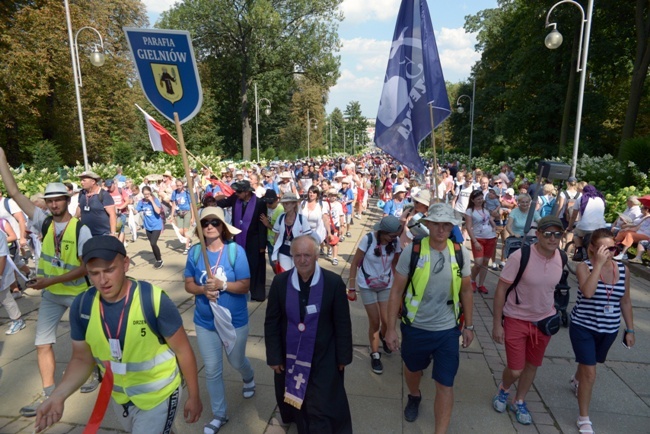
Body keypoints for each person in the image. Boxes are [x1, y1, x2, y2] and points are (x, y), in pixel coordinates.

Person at [34, 236, 202, 433]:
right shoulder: (82, 306)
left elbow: (183, 350)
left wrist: (194, 395)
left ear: (125, 264)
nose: (102, 280)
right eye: (94, 273)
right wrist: (57, 396)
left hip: (160, 396)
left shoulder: (153, 300)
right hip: (121, 399)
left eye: (109, 270)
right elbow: (81, 358)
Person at [0, 147, 101, 414]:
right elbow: (15, 194)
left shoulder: (81, 229)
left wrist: (49, 281)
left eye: (59, 200)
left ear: (67, 200)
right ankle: (48, 394)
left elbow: (85, 268)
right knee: (42, 342)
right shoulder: (43, 222)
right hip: (51, 294)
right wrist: (2, 162)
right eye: (50, 200)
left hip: (78, 293)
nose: (54, 204)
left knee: (88, 340)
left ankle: (93, 372)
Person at [384, 203, 474, 429]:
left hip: (447, 331)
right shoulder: (412, 251)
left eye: (446, 225)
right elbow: (396, 290)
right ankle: (414, 395)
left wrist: (469, 326)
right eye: (436, 224)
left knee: (445, 383)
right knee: (413, 369)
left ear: (452, 227)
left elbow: (466, 290)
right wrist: (391, 328)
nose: (441, 230)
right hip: (416, 327)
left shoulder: (459, 252)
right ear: (428, 225)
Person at [264, 235, 353, 434]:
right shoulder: (280, 283)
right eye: (297, 256)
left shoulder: (333, 283)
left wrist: (343, 356)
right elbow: (272, 322)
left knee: (323, 400)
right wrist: (274, 356)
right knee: (299, 402)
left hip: (324, 354)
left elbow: (342, 323)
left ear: (316, 256)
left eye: (307, 255)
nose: (302, 260)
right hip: (291, 355)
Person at [184, 207, 255, 434]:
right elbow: (188, 284)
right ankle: (219, 414)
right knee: (213, 369)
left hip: (234, 321)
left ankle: (249, 376)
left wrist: (223, 285)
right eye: (205, 223)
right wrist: (203, 290)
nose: (210, 226)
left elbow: (245, 285)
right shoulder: (195, 253)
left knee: (236, 361)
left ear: (223, 226)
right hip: (205, 322)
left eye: (215, 222)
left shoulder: (235, 251)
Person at [491, 216, 566, 426]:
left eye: (558, 234)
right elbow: (501, 290)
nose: (553, 238)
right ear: (538, 234)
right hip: (516, 318)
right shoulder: (520, 256)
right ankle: (504, 390)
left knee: (532, 365)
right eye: (548, 233)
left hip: (543, 322)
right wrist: (497, 323)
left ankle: (520, 400)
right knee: (515, 369)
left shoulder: (561, 257)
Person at [567, 228, 635, 434]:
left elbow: (625, 301)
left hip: (609, 329)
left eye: (613, 248)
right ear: (593, 249)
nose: (610, 253)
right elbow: (587, 292)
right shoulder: (583, 267)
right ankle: (584, 418)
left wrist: (630, 329)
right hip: (583, 326)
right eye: (605, 249)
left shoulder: (623, 270)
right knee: (590, 372)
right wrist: (597, 265)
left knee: (590, 364)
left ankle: (576, 378)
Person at [348, 216, 402, 375]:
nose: (395, 238)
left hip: (386, 284)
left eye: (396, 235)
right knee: (375, 321)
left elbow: (397, 264)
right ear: (382, 232)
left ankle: (385, 338)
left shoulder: (395, 242)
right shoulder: (368, 239)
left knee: (387, 320)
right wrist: (351, 287)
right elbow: (354, 263)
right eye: (392, 236)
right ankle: (375, 353)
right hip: (367, 285)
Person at [216, 180, 268, 301]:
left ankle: (256, 293)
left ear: (246, 192)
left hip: (254, 241)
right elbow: (224, 203)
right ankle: (239, 289)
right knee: (239, 266)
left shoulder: (259, 203)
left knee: (255, 267)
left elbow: (262, 225)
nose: (237, 194)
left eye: (239, 192)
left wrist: (262, 244)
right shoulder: (235, 198)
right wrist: (212, 202)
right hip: (238, 238)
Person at [465, 190, 498, 294]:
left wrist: (494, 226)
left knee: (485, 262)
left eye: (481, 198)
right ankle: (472, 279)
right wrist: (474, 241)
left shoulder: (485, 209)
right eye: (478, 199)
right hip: (478, 238)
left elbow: (488, 219)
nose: (480, 200)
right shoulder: (470, 211)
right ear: (472, 200)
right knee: (478, 263)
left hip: (490, 237)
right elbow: (469, 227)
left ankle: (481, 284)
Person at [271, 192, 313, 273]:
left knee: (297, 274)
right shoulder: (280, 217)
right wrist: (275, 253)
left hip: (298, 253)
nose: (284, 206)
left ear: (294, 204)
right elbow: (276, 236)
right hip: (283, 251)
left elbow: (308, 239)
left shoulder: (302, 219)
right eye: (283, 204)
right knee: (285, 275)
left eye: (287, 204)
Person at [566, 185, 607, 261]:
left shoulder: (580, 199)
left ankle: (580, 251)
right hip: (600, 227)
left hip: (584, 227)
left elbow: (573, 216)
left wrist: (569, 227)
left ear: (583, 191)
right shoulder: (601, 199)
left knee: (575, 234)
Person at [0, 230, 25, 334]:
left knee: (5, 297)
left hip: (2, 272)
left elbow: (2, 257)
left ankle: (17, 320)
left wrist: (0, 275)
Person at [77, 171, 117, 237]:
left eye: (84, 180)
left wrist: (113, 233)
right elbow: (79, 208)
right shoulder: (82, 193)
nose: (81, 182)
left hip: (102, 234)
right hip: (85, 234)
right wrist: (74, 219)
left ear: (93, 182)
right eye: (81, 180)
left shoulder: (104, 195)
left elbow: (112, 214)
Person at [135, 186, 164, 268]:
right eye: (145, 194)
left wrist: (152, 201)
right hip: (148, 226)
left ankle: (159, 260)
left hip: (156, 225)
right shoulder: (141, 202)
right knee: (152, 244)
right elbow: (136, 210)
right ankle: (157, 258)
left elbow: (158, 211)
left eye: (148, 194)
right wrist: (132, 210)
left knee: (153, 243)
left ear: (150, 193)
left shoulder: (155, 200)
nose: (147, 196)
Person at [170, 179, 194, 254]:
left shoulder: (187, 193)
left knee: (186, 230)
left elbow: (191, 205)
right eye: (177, 185)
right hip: (179, 212)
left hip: (187, 212)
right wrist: (171, 216)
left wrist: (193, 217)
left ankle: (187, 247)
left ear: (183, 185)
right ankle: (188, 239)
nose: (179, 187)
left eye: (180, 185)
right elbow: (174, 205)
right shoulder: (174, 192)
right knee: (180, 231)